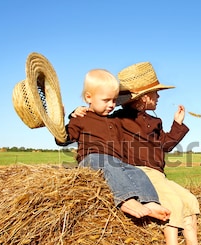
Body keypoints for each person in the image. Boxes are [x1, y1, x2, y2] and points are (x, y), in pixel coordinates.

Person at [76, 62, 201, 245]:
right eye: (156, 93)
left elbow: (165, 145)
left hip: (158, 173)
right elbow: (96, 121)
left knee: (190, 201)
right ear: (143, 98)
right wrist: (77, 113)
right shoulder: (118, 119)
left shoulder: (155, 121)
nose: (159, 97)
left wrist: (177, 125)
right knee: (173, 204)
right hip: (140, 171)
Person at [57, 69, 170, 222]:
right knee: (107, 164)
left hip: (115, 160)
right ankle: (125, 200)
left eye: (114, 100)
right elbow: (63, 139)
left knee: (136, 172)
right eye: (106, 100)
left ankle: (150, 201)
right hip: (92, 160)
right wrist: (68, 116)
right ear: (88, 97)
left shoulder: (113, 120)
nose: (111, 105)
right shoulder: (81, 119)